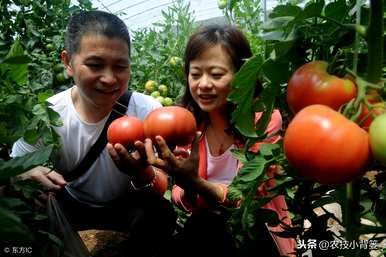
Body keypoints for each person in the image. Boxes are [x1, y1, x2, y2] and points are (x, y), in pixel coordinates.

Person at [11, 10, 176, 257]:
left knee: (161, 214)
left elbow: (159, 186)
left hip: (126, 208)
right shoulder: (46, 117)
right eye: (95, 65)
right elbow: (13, 172)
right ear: (68, 62)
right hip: (70, 206)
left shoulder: (148, 111)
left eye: (121, 66)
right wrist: (25, 173)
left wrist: (140, 172)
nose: (110, 79)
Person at [142, 25, 295, 257]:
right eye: (195, 74)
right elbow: (180, 199)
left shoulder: (263, 120)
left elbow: (249, 196)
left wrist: (194, 182)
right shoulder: (186, 122)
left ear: (242, 74)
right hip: (208, 231)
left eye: (216, 74)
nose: (203, 84)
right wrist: (185, 185)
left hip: (257, 231)